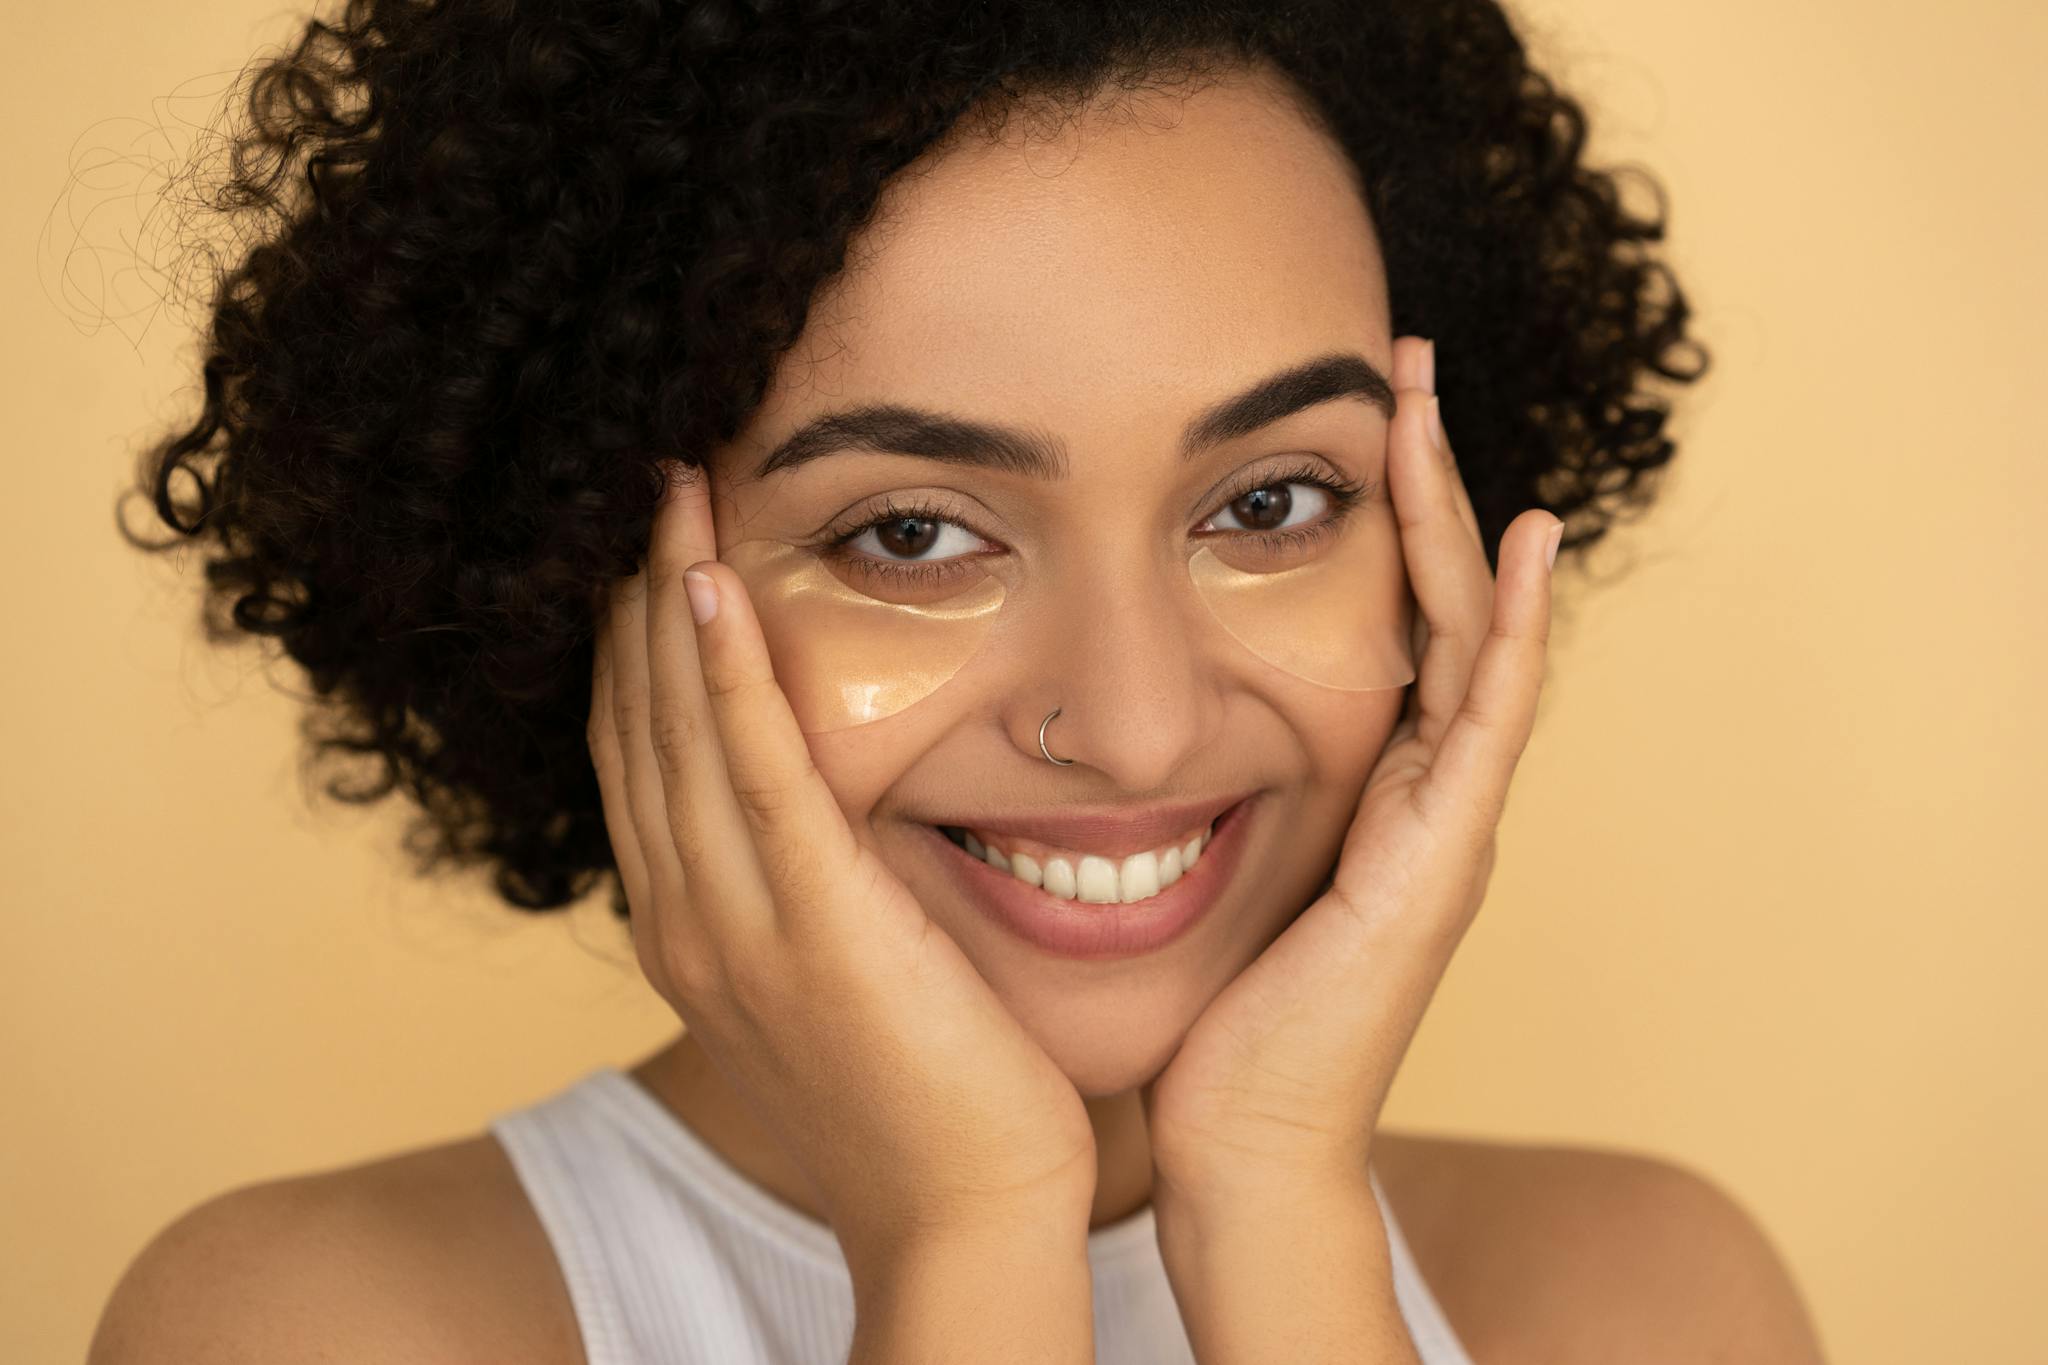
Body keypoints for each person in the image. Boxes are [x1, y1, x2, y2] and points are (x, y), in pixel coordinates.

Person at [89, 1, 1826, 1362]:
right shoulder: (307, 1329)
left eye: (1275, 502)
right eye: (914, 534)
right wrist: (968, 1238)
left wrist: (1284, 1217)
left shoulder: (1645, 1305)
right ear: (589, 568)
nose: (1135, 721)